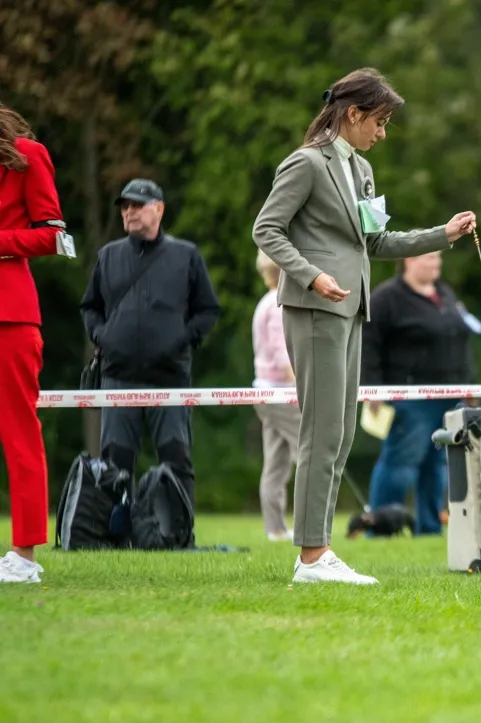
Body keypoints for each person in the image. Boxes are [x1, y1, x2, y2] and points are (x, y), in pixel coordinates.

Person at [252, 66, 477, 585]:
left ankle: (319, 550)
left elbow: (376, 244)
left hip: (352, 311)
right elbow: (266, 228)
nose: (382, 133)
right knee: (321, 433)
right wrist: (311, 277)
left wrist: (442, 234)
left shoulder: (362, 172)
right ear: (353, 114)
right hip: (315, 309)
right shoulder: (306, 163)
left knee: (343, 432)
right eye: (379, 121)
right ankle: (311, 557)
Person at [80, 178, 221, 511]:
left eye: (137, 205)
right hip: (118, 375)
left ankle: (178, 535)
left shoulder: (186, 255)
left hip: (169, 376)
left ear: (159, 209)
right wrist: (103, 337)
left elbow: (208, 310)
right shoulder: (108, 255)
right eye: (125, 207)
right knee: (115, 462)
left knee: (176, 458)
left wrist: (181, 341)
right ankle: (115, 535)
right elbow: (90, 307)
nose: (129, 212)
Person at [361, 252, 476, 536]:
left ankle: (430, 527)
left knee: (437, 465)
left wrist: (470, 386)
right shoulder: (386, 298)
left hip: (451, 394)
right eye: (429, 258)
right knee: (400, 463)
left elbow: (462, 341)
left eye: (438, 259)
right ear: (409, 261)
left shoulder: (444, 293)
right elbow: (368, 345)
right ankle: (381, 527)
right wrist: (371, 389)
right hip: (410, 395)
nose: (436, 264)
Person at [0, 104, 65, 583]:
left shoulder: (29, 156)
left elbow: (52, 237)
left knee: (20, 434)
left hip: (11, 315)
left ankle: (24, 558)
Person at [252, 249, 298, 541]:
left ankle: (276, 529)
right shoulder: (280, 304)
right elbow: (285, 360)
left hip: (266, 392)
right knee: (311, 450)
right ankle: (312, 525)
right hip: (282, 393)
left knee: (277, 461)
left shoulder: (265, 303)